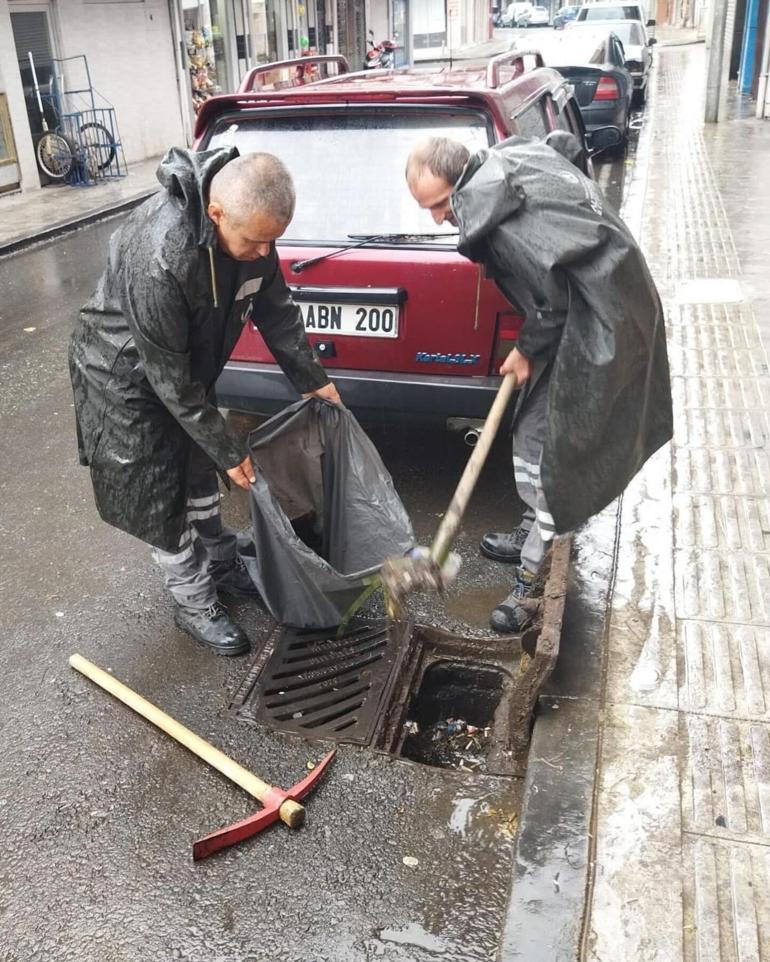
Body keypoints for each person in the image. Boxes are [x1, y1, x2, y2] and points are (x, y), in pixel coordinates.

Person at [69, 147, 339, 656]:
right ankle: (193, 600)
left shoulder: (250, 236)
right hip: (125, 377)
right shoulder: (159, 253)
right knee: (160, 493)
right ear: (216, 214)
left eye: (271, 242)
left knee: (199, 469)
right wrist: (229, 448)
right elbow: (167, 380)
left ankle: (219, 560)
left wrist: (311, 378)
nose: (263, 252)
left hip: (186, 368)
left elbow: (276, 310)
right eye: (254, 241)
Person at [406, 135, 672, 633]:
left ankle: (533, 581)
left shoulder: (505, 222)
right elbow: (564, 145)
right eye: (428, 208)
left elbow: (554, 300)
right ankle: (531, 530)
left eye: (441, 204)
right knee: (529, 431)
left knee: (558, 456)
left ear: (462, 180)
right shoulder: (504, 163)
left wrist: (526, 350)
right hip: (582, 310)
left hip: (602, 322)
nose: (438, 218)